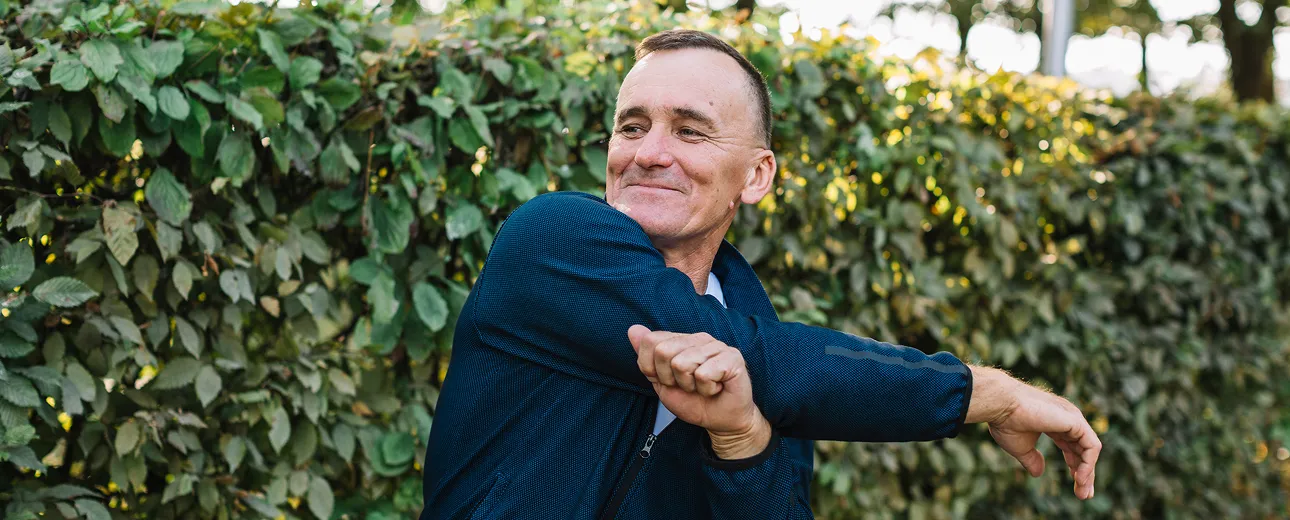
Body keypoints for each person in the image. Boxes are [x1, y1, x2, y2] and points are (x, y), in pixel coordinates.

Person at [420, 29, 1101, 519]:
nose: (649, 152)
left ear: (756, 175)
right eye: (632, 127)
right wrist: (991, 395)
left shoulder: (756, 323)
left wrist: (742, 438)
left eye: (689, 131)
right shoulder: (550, 240)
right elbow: (769, 361)